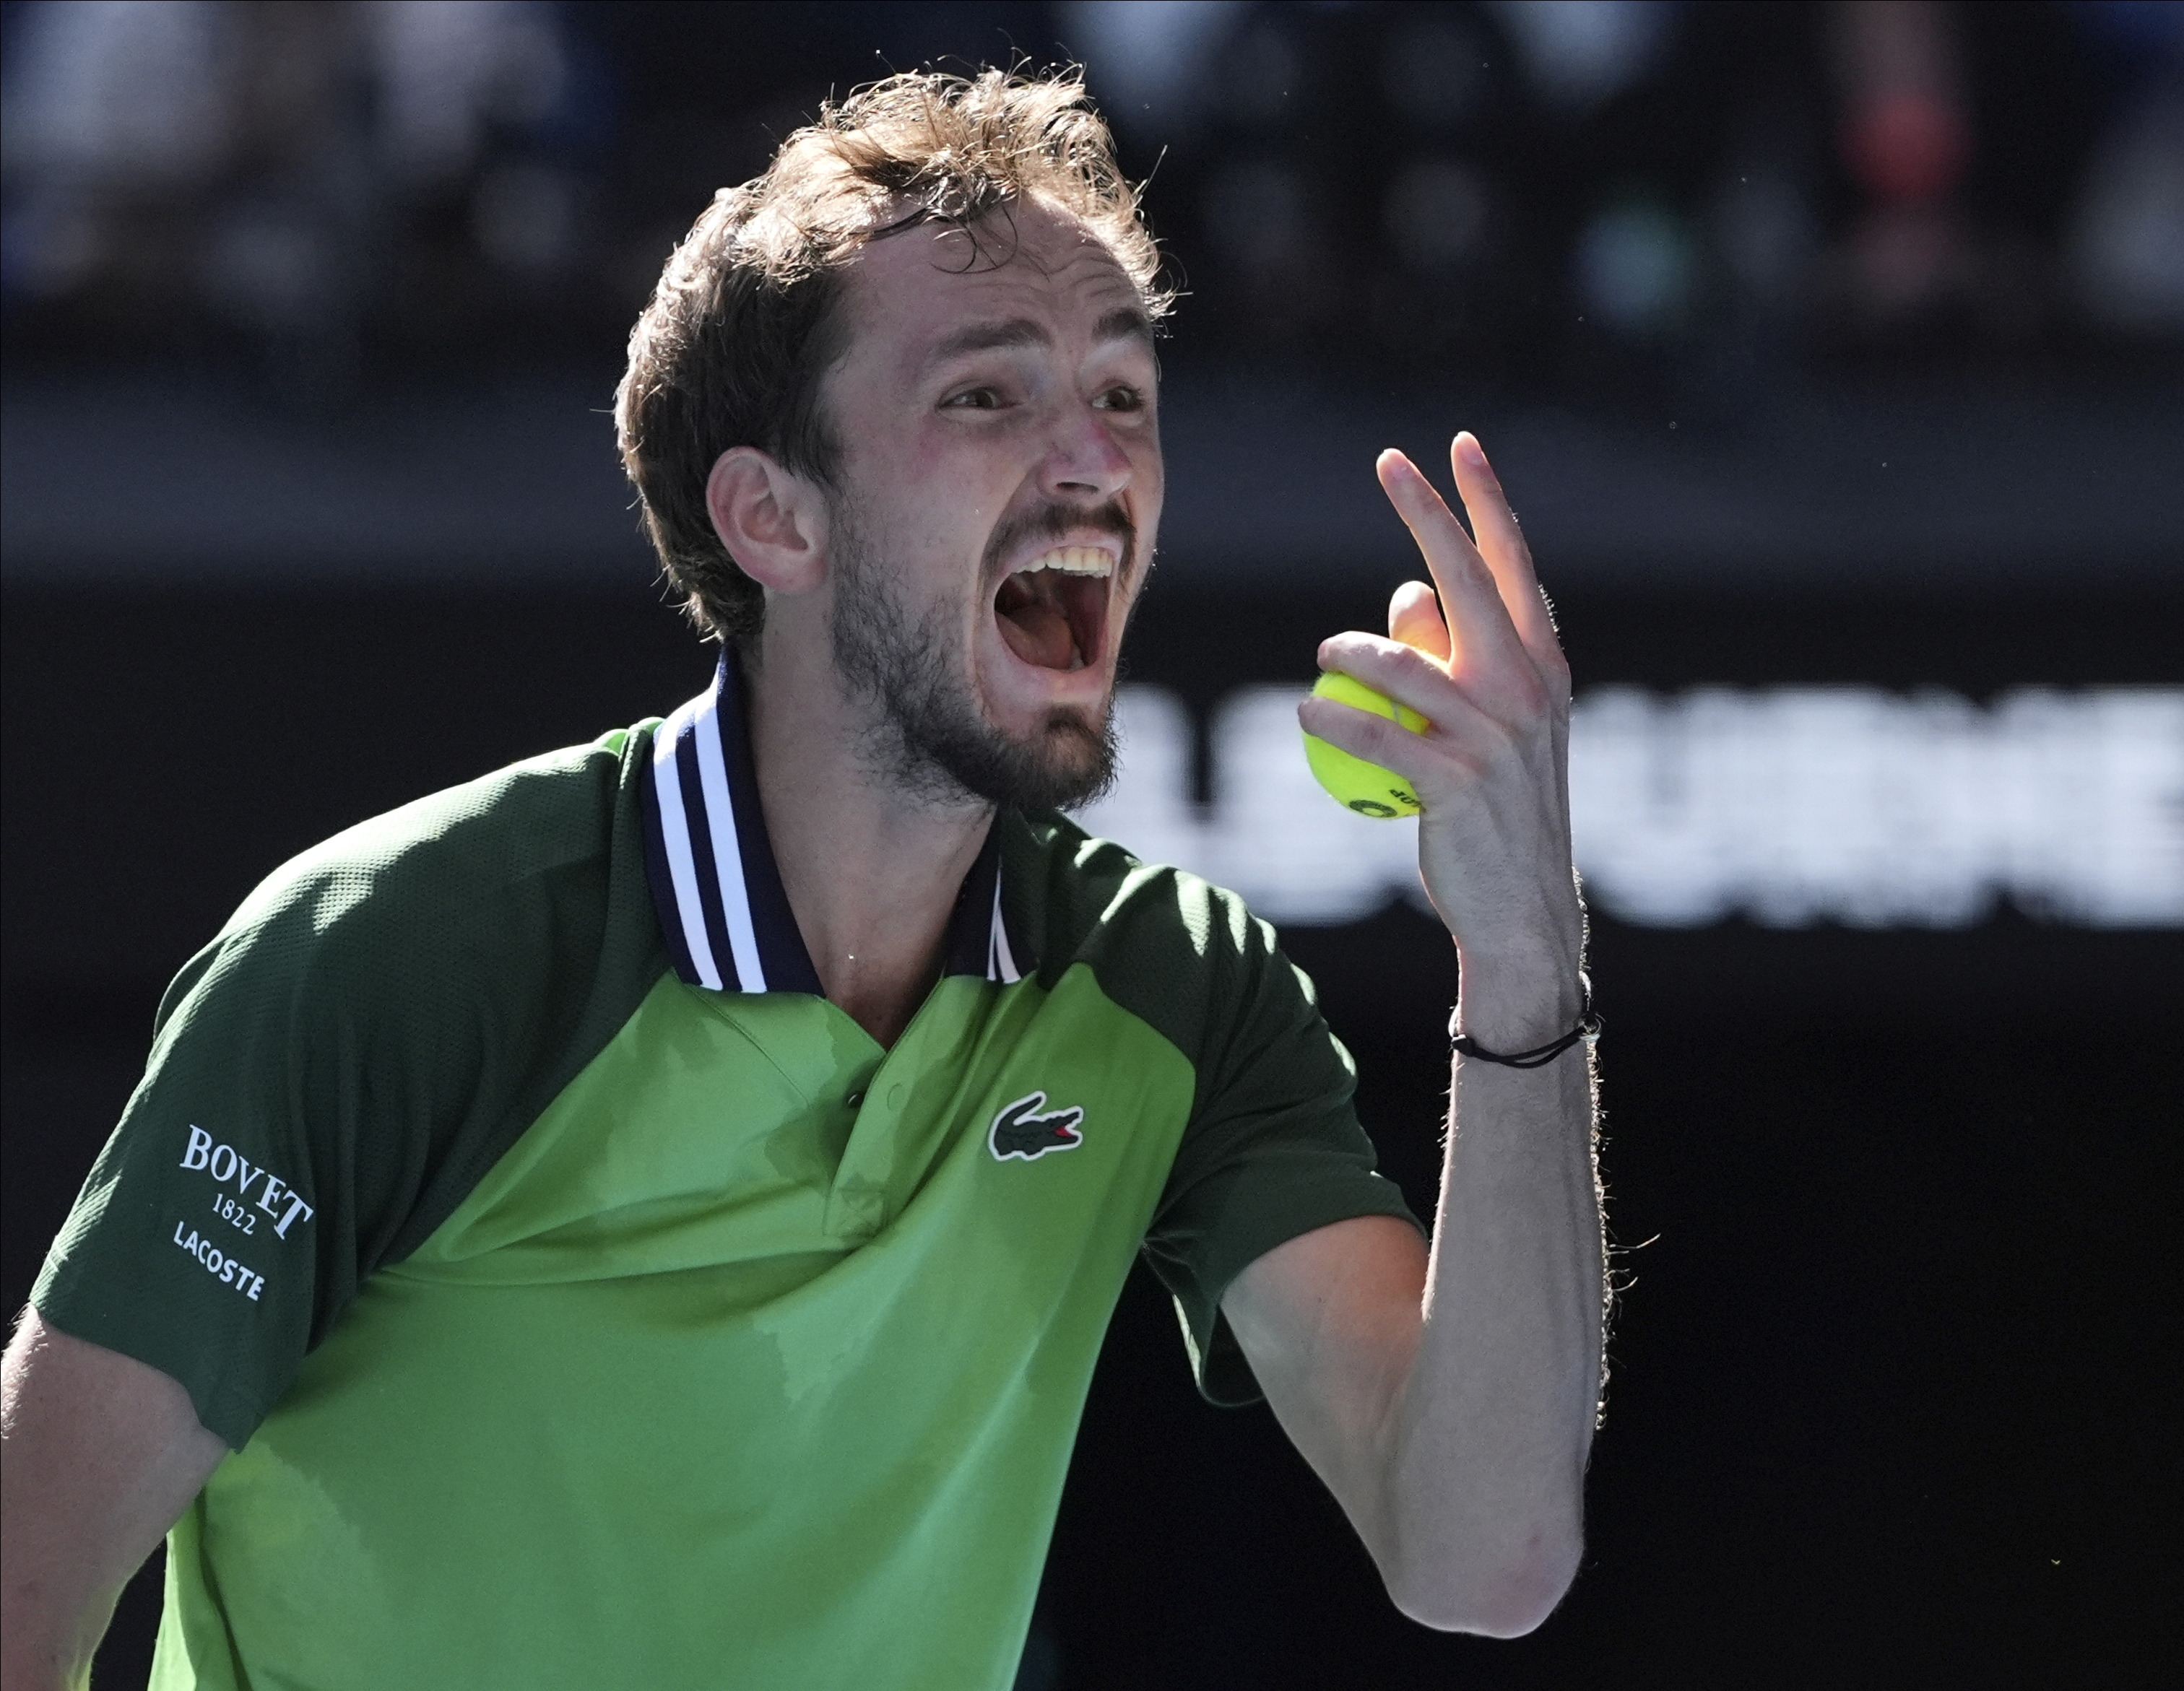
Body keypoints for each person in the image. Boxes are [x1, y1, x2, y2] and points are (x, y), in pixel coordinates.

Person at [0, 68, 1605, 1689]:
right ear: (772, 515)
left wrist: (1522, 942)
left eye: (1121, 397)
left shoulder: (1181, 993)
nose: (1090, 460)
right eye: (987, 396)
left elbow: (1482, 1553)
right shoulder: (395, 959)